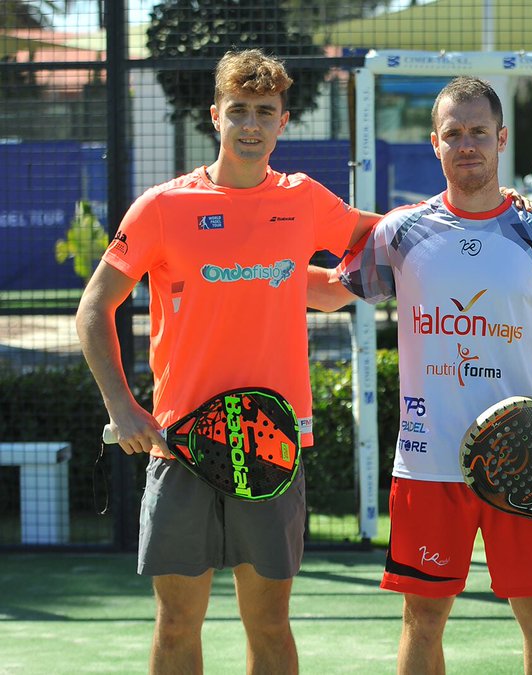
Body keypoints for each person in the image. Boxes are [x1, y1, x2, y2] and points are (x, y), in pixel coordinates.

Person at [75, 49, 380, 673]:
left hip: (272, 447)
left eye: (263, 112)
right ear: (215, 115)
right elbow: (93, 309)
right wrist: (123, 407)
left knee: (269, 625)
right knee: (177, 623)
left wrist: (469, 208)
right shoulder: (162, 207)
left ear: (283, 121)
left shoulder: (304, 201)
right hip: (178, 446)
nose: (250, 124)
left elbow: (385, 237)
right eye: (237, 110)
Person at [307, 76, 532, 674]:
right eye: (454, 134)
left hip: (525, 462)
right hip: (427, 461)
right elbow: (332, 293)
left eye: (479, 133)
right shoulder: (400, 233)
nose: (468, 145)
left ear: (501, 138)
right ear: (434, 143)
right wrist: (248, 269)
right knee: (424, 618)